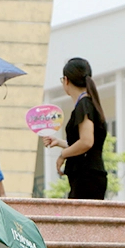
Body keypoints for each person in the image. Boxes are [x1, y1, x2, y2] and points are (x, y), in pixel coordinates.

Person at [44, 57, 109, 200]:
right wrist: (59, 142)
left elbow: (86, 142)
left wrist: (63, 155)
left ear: (66, 80)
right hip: (90, 175)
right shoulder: (90, 104)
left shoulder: (84, 105)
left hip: (87, 177)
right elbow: (84, 143)